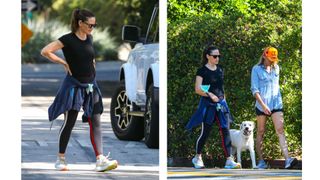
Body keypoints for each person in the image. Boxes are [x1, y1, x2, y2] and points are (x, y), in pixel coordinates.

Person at [41, 8, 118, 172]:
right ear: (80, 23)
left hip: (91, 86)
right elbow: (45, 51)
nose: (93, 28)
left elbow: (91, 57)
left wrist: (93, 68)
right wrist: (64, 63)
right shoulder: (67, 39)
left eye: (95, 25)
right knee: (69, 123)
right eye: (90, 25)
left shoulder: (90, 38)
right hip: (74, 86)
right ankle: (60, 159)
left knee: (96, 121)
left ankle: (100, 160)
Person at [186, 46, 241, 169]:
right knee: (205, 131)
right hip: (208, 104)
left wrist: (224, 100)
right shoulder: (202, 71)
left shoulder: (220, 70)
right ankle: (197, 157)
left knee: (225, 130)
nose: (217, 58)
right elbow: (198, 89)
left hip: (221, 104)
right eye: (215, 56)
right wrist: (210, 94)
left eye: (219, 56)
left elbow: (221, 88)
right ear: (208, 56)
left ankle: (228, 160)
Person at [250, 46, 298, 169]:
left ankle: (287, 159)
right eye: (271, 58)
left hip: (276, 104)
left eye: (274, 58)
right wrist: (263, 105)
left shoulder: (276, 68)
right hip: (262, 105)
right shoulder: (256, 69)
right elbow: (255, 90)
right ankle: (261, 161)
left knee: (280, 129)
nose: (273, 60)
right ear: (264, 55)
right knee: (260, 131)